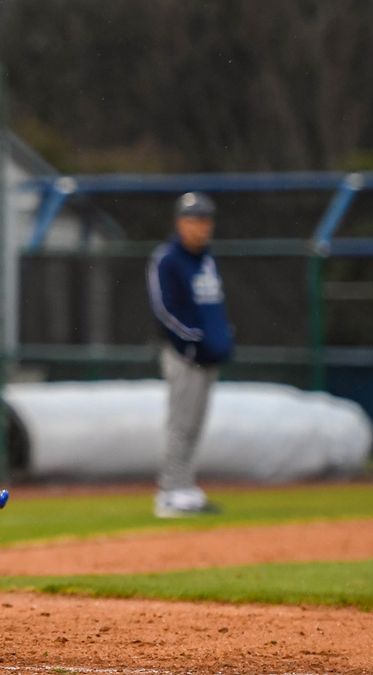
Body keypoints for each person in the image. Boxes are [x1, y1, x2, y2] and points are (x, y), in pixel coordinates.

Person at [146, 191, 233, 518]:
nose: (201, 227)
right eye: (194, 220)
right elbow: (164, 309)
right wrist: (193, 341)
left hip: (209, 355)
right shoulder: (168, 259)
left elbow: (215, 306)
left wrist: (222, 337)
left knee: (196, 425)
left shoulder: (207, 260)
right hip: (184, 356)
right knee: (180, 424)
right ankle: (169, 491)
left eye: (205, 220)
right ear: (180, 223)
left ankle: (185, 485)